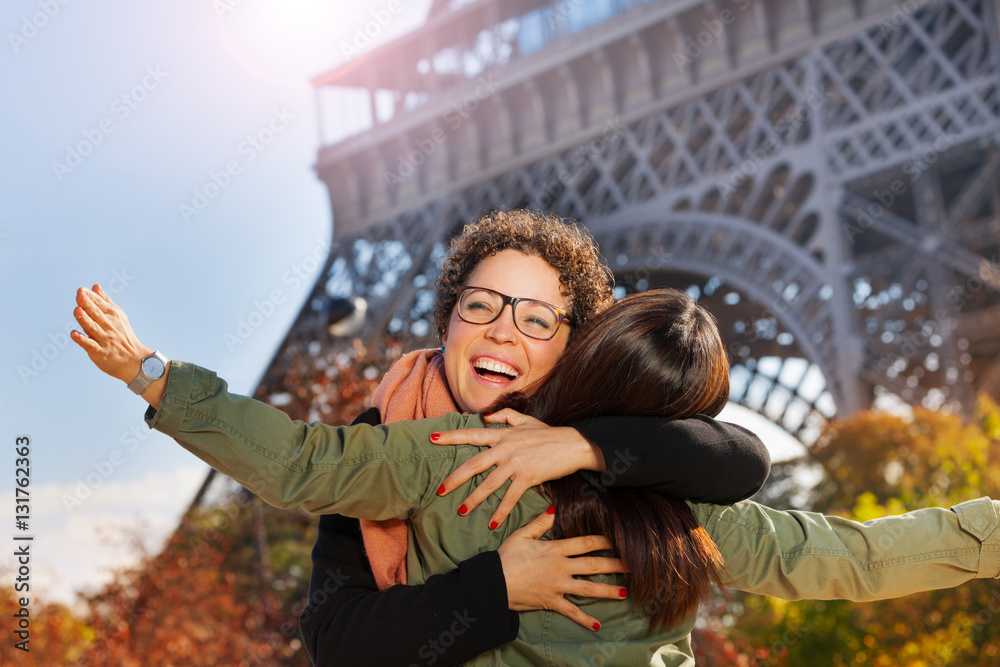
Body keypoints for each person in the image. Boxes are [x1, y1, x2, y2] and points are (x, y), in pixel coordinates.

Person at [73, 283, 1000, 666]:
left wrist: (150, 372)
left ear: (582, 355)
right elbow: (865, 559)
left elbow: (298, 463)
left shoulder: (456, 455)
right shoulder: (694, 521)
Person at [298, 211, 774, 666]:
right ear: (448, 322)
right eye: (480, 304)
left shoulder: (592, 431)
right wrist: (498, 587)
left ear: (571, 348)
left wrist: (582, 445)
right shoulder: (381, 432)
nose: (502, 331)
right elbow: (336, 643)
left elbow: (744, 459)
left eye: (539, 319)